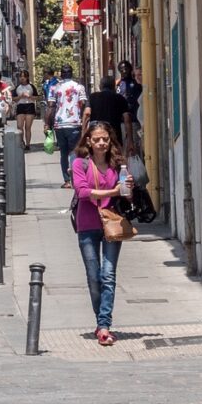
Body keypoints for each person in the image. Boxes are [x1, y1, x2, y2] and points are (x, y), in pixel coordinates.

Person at [71, 122, 134, 346]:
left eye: (105, 139)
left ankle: (104, 324)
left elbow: (125, 196)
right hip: (87, 225)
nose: (101, 143)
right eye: (97, 139)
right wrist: (113, 191)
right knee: (94, 277)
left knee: (108, 275)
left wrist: (127, 189)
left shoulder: (117, 164)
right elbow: (83, 192)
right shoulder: (80, 163)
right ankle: (101, 322)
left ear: (110, 140)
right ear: (88, 140)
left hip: (111, 224)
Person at [45, 64, 87, 188]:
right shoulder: (79, 87)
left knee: (63, 153)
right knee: (74, 151)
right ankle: (76, 179)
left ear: (61, 74)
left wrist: (47, 123)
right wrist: (83, 119)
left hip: (59, 124)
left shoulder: (55, 88)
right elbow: (83, 104)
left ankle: (67, 180)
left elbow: (51, 107)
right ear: (72, 73)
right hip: (74, 123)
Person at [82, 76, 133, 153]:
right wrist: (130, 140)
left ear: (100, 86)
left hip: (96, 133)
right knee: (115, 158)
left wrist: (83, 134)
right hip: (115, 135)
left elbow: (87, 113)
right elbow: (127, 118)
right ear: (114, 87)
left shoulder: (93, 97)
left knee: (97, 156)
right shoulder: (120, 98)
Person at [116, 61, 142, 155]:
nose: (124, 71)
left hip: (134, 121)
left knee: (135, 147)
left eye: (126, 68)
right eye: (121, 69)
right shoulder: (118, 84)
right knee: (123, 149)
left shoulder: (136, 83)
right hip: (122, 122)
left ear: (130, 69)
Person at [12, 70, 38, 151]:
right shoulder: (17, 87)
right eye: (21, 77)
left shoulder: (31, 87)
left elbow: (36, 97)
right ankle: (21, 141)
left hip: (29, 106)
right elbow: (14, 99)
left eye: (24, 76)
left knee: (27, 127)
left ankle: (28, 144)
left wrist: (29, 96)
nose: (22, 78)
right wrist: (20, 96)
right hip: (20, 106)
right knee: (19, 126)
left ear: (27, 77)